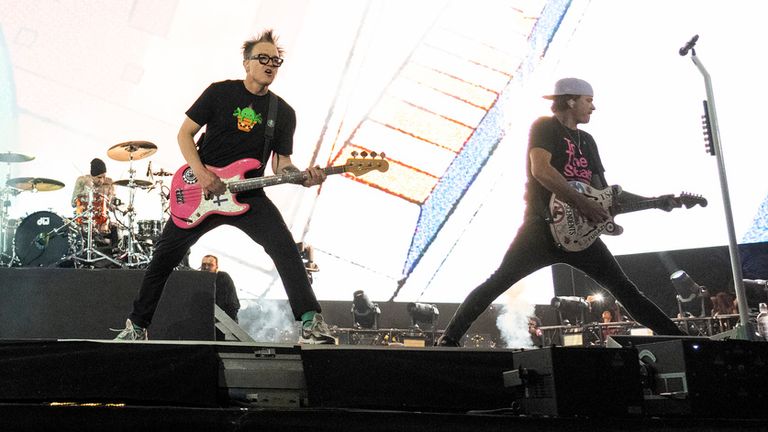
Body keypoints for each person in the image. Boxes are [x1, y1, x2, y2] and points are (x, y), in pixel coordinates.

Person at [114, 29, 335, 344]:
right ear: (246, 63)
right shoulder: (220, 93)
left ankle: (311, 322)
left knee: (285, 249)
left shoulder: (282, 113)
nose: (270, 65)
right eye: (263, 58)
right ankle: (136, 327)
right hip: (203, 191)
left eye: (276, 60)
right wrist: (202, 174)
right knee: (164, 257)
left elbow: (281, 164)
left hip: (249, 194)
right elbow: (184, 134)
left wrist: (301, 177)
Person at [437, 78, 685, 347]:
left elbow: (605, 193)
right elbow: (541, 170)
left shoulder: (588, 141)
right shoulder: (545, 127)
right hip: (541, 228)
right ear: (570, 100)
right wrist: (582, 203)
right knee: (499, 281)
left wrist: (655, 201)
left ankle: (683, 342)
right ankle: (449, 339)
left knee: (625, 289)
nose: (593, 108)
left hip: (581, 236)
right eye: (588, 101)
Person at [71, 158, 119, 249]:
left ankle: (114, 252)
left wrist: (114, 204)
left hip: (102, 221)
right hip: (84, 220)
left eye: (104, 176)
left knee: (117, 230)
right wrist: (85, 190)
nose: (102, 180)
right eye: (99, 177)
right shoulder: (82, 180)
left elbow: (112, 203)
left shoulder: (110, 183)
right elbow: (73, 203)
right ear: (92, 175)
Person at [200, 254, 240, 324]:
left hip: (223, 323)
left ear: (216, 266)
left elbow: (233, 303)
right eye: (204, 264)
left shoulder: (223, 277)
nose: (206, 267)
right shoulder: (198, 280)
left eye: (210, 265)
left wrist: (229, 322)